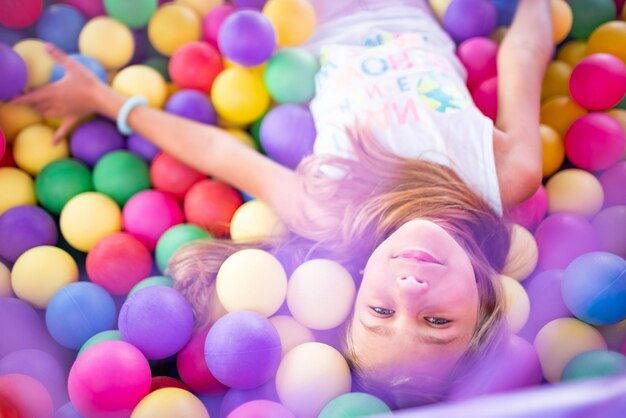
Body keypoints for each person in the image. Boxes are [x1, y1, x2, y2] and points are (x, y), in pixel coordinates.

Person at [13, 0, 553, 408]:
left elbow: (216, 150)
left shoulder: (332, 210)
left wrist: (106, 100)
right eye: (436, 320)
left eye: (381, 311)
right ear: (485, 302)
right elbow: (524, 52)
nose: (409, 292)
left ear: (359, 284)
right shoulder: (506, 175)